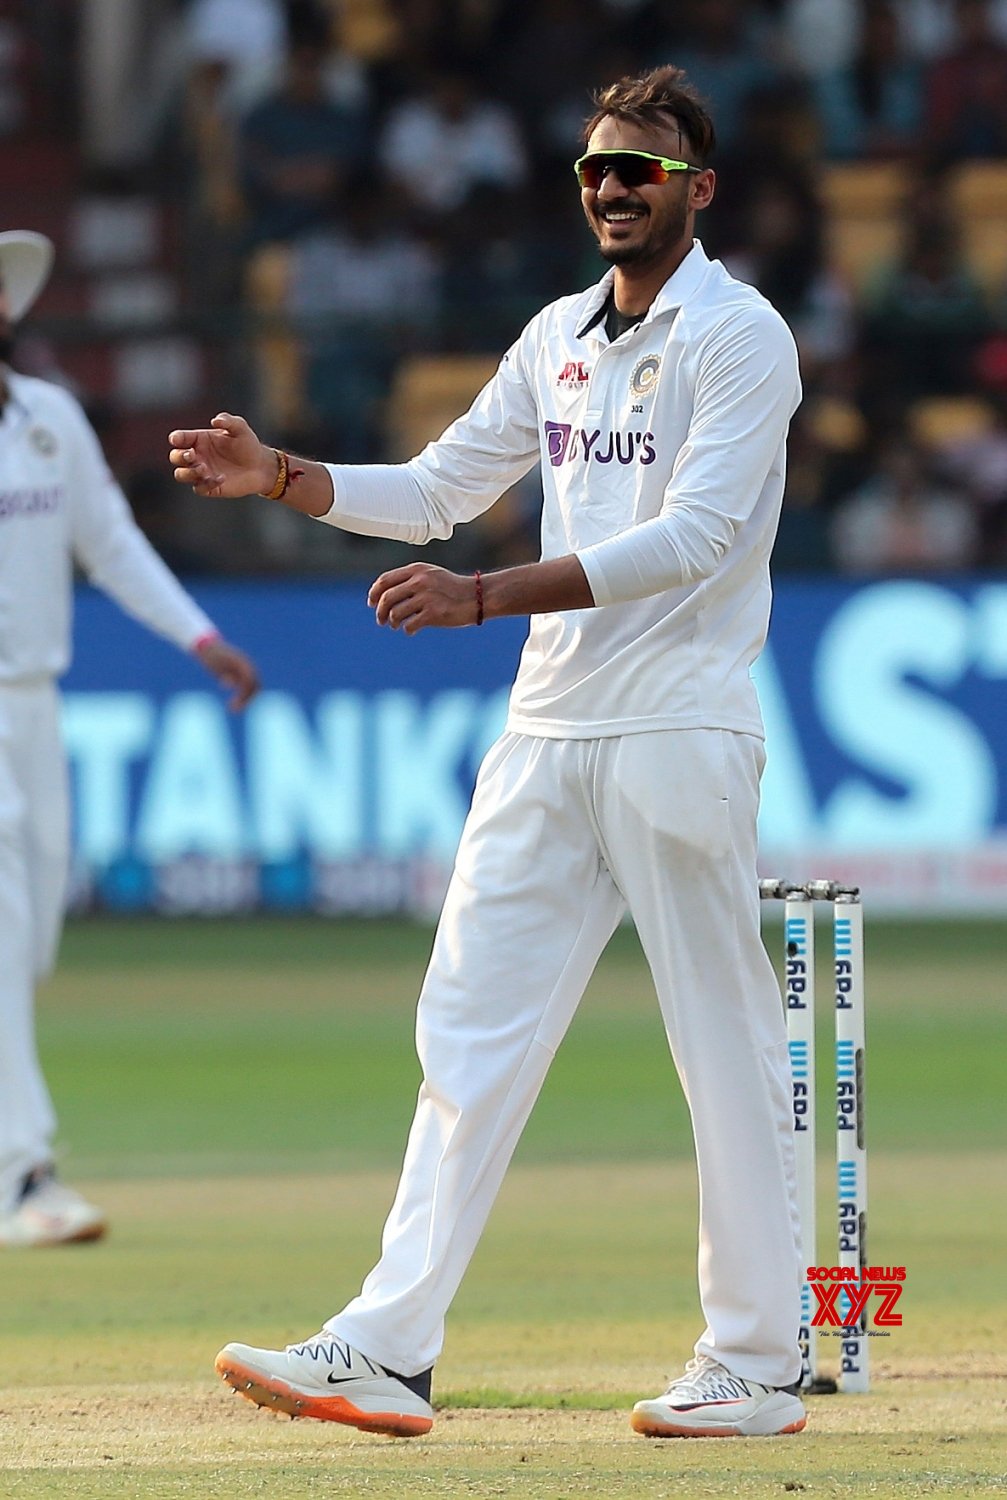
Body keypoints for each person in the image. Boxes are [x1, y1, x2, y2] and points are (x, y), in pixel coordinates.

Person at [170, 66, 806, 1440]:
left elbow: (691, 537)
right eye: (593, 169)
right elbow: (439, 491)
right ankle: (387, 1347)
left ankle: (754, 1362)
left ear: (698, 187)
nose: (612, 188)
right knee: (461, 1034)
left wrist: (481, 594)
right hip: (542, 734)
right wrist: (284, 474)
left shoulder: (737, 335)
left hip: (677, 725)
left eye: (639, 168)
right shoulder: (554, 337)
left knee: (722, 1045)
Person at [0, 231, 259, 1249]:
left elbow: (109, 544)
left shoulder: (51, 421)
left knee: (35, 930)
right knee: (4, 924)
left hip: (35, 701)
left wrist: (199, 635)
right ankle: (26, 1174)